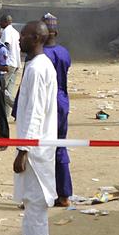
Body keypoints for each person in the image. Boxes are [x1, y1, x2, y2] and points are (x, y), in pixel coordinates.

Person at [4, 20, 57, 235]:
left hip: (35, 146)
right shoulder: (38, 64)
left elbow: (35, 112)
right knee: (28, 196)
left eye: (23, 35)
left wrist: (23, 149)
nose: (18, 39)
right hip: (35, 142)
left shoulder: (37, 68)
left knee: (36, 198)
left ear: (36, 38)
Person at [41, 13, 73, 207]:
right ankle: (64, 194)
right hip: (62, 101)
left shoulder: (40, 55)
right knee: (60, 146)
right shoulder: (64, 52)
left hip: (47, 103)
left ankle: (40, 195)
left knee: (39, 149)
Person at [0, 15, 21, 117]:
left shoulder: (6, 31)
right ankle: (6, 115)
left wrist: (1, 62)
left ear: (5, 22)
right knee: (8, 90)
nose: (0, 24)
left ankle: (18, 109)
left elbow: (6, 46)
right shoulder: (16, 32)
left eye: (1, 22)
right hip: (17, 63)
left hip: (9, 64)